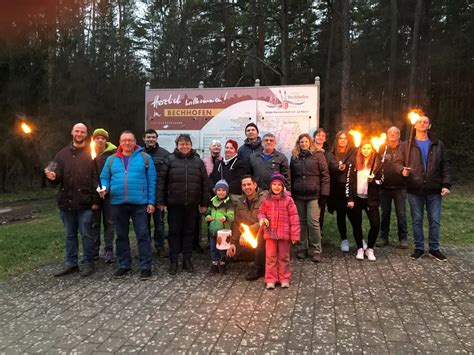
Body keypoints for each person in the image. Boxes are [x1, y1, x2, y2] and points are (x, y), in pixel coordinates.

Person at [100, 131, 157, 280]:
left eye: (130, 140)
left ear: (135, 142)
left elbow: (152, 181)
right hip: (117, 203)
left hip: (140, 204)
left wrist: (151, 201)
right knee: (121, 236)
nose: (127, 143)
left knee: (143, 235)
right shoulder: (111, 160)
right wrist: (103, 188)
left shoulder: (145, 158)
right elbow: (104, 177)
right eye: (124, 140)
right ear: (119, 142)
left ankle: (145, 266)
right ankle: (124, 264)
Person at [394, 114, 452, 261]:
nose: (422, 124)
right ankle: (419, 248)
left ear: (429, 125)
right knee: (417, 219)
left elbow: (445, 165)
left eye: (425, 122)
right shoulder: (405, 146)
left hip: (434, 189)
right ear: (414, 125)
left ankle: (434, 249)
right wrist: (402, 170)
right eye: (419, 122)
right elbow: (396, 163)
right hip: (415, 188)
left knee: (435, 220)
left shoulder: (438, 145)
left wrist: (446, 184)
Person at [45, 123, 98, 277]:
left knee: (87, 234)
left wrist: (96, 200)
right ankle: (71, 263)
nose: (79, 133)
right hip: (66, 202)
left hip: (85, 202)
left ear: (86, 134)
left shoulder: (92, 153)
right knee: (70, 235)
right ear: (72, 132)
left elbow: (97, 179)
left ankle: (88, 262)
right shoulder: (61, 154)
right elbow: (55, 175)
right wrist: (52, 177)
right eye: (77, 131)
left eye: (82, 131)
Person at [157, 134, 209, 275]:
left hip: (192, 204)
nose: (184, 146)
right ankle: (173, 261)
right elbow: (162, 181)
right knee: (174, 232)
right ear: (177, 145)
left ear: (191, 145)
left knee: (189, 232)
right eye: (181, 144)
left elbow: (205, 184)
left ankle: (187, 259)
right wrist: (161, 201)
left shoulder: (198, 162)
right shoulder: (170, 160)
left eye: (187, 144)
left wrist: (204, 203)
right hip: (174, 204)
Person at [290, 133, 330, 262]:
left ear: (310, 142)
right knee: (301, 222)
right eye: (301, 142)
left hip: (314, 195)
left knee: (313, 223)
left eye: (306, 141)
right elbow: (291, 175)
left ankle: (316, 250)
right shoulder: (294, 157)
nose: (303, 144)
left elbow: (325, 175)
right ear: (298, 143)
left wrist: (324, 193)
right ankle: (302, 248)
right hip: (299, 195)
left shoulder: (318, 155)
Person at [257, 173, 300, 289]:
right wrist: (262, 219)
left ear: (283, 186)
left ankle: (284, 278)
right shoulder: (266, 200)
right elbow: (261, 212)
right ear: (271, 186)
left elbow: (294, 218)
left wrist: (295, 235)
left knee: (284, 257)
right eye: (274, 184)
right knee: (270, 257)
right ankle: (271, 278)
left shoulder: (288, 200)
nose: (276, 187)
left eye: (279, 185)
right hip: (270, 233)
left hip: (284, 234)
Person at [227, 175, 267, 281]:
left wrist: (247, 232)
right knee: (230, 257)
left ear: (255, 185)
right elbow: (236, 223)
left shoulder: (264, 198)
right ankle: (258, 257)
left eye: (249, 184)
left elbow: (265, 221)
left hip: (263, 233)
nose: (246, 187)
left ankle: (259, 268)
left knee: (262, 235)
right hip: (248, 237)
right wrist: (233, 243)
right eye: (244, 185)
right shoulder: (240, 202)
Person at [346, 140, 382, 261]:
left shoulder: (378, 163)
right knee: (357, 224)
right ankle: (360, 248)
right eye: (364, 148)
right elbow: (349, 182)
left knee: (376, 224)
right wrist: (350, 199)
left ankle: (370, 248)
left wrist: (374, 181)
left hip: (370, 199)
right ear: (360, 150)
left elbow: (382, 181)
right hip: (357, 198)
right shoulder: (354, 162)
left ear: (372, 149)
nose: (366, 150)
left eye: (368, 148)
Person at [377, 126, 408, 248]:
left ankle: (403, 238)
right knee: (385, 213)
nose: (393, 135)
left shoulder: (405, 148)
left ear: (399, 135)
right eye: (390, 133)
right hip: (385, 188)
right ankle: (383, 237)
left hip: (400, 187)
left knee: (401, 214)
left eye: (396, 133)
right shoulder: (382, 148)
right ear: (387, 135)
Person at [142, 128, 170, 258]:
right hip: (143, 195)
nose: (151, 139)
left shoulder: (164, 154)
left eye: (153, 137)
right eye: (148, 137)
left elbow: (167, 177)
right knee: (143, 223)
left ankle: (160, 247)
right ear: (144, 138)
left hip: (159, 195)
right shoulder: (138, 153)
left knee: (159, 223)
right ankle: (145, 248)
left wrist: (164, 197)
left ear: (156, 139)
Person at [91, 128, 117, 263]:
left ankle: (108, 250)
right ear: (93, 139)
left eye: (103, 138)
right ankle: (94, 251)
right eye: (97, 138)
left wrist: (107, 189)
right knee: (94, 223)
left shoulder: (113, 153)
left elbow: (116, 174)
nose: (100, 140)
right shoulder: (88, 153)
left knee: (109, 222)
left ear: (106, 140)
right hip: (93, 195)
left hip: (109, 194)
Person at [328, 131, 356, 252]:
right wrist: (338, 167)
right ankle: (344, 239)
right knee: (341, 215)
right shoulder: (331, 153)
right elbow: (332, 165)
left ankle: (359, 238)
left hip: (350, 187)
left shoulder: (353, 153)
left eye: (345, 138)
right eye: (340, 138)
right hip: (337, 189)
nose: (343, 140)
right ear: (337, 140)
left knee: (354, 215)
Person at [313, 128, 338, 236]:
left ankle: (319, 235)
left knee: (320, 213)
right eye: (318, 135)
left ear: (325, 139)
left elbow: (333, 164)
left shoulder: (328, 153)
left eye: (322, 136)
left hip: (322, 186)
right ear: (314, 137)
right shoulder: (309, 151)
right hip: (311, 185)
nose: (320, 137)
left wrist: (338, 167)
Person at [205, 179, 234, 274]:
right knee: (213, 248)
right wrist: (208, 216)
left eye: (223, 190)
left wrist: (226, 217)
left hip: (223, 231)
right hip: (213, 229)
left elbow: (231, 215)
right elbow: (208, 211)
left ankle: (222, 264)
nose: (221, 192)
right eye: (219, 190)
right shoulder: (212, 201)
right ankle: (214, 263)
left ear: (227, 191)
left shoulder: (228, 203)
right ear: (215, 191)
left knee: (222, 249)